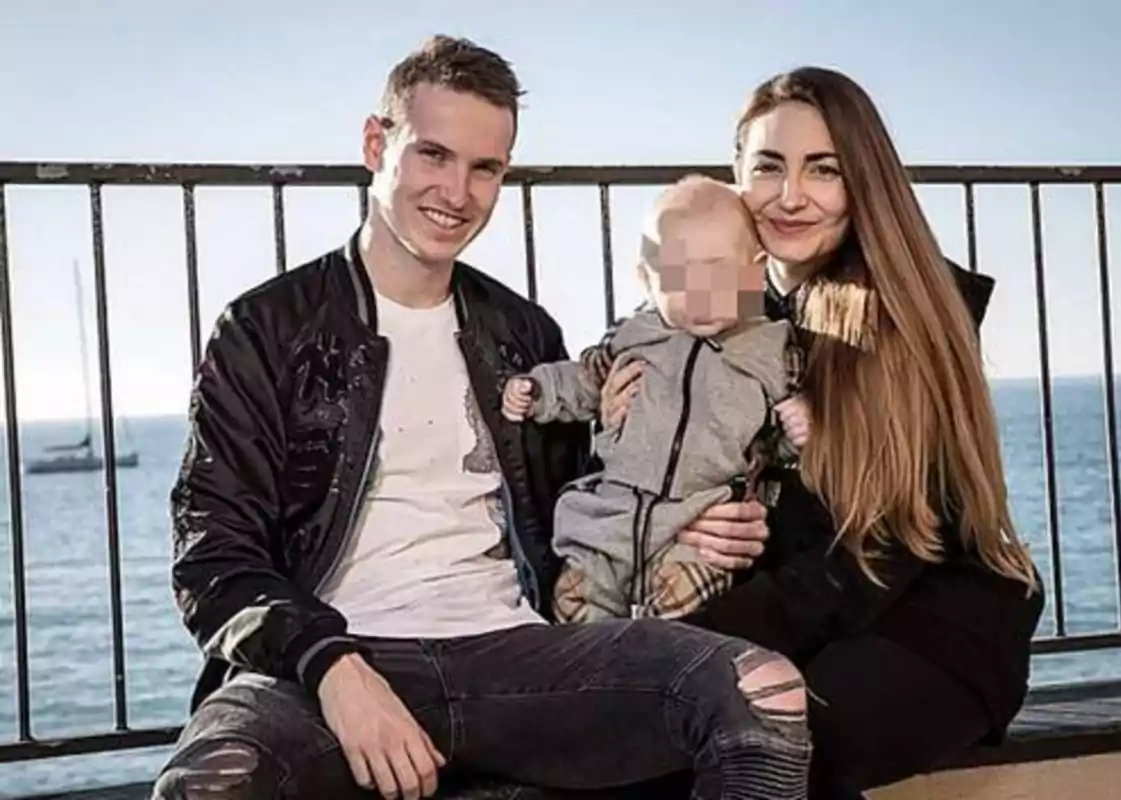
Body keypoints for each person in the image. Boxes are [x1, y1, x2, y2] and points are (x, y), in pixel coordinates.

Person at [154, 36, 814, 800]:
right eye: (433, 155)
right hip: (327, 660)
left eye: (485, 168)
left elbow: (595, 494)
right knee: (210, 785)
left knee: (764, 691)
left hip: (516, 655)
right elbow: (212, 555)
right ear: (377, 144)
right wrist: (331, 666)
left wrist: (691, 523)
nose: (457, 192)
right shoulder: (266, 328)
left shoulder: (522, 333)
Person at [598, 67, 1046, 798]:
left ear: (862, 181)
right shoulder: (726, 308)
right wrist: (619, 421)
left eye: (824, 170)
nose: (791, 195)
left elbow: (880, 554)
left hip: (930, 625)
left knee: (755, 742)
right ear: (736, 174)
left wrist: (692, 637)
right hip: (813, 611)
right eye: (768, 167)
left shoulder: (892, 321)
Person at [501, 174, 810, 623]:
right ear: (647, 278)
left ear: (754, 269)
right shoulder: (635, 336)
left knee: (683, 613)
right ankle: (593, 682)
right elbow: (587, 379)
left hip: (698, 524)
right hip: (613, 517)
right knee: (574, 600)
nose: (700, 293)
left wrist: (799, 432)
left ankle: (662, 679)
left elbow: (774, 444)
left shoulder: (771, 353)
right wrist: (539, 390)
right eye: (678, 276)